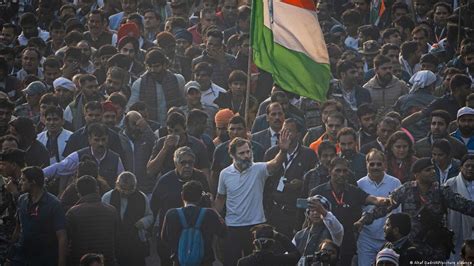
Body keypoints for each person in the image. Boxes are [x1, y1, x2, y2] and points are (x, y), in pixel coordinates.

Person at [355, 158, 474, 261]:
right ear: (417, 174)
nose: (433, 172)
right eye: (427, 170)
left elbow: (464, 205)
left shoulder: (441, 191)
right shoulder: (406, 189)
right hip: (412, 248)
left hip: (436, 248)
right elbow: (384, 207)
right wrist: (364, 220)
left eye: (433, 169)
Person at [213, 130, 291, 266]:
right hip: (233, 226)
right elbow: (220, 199)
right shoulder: (225, 174)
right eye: (242, 153)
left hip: (256, 226)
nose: (246, 156)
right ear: (233, 155)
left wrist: (283, 151)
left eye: (248, 152)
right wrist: (214, 216)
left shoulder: (258, 169)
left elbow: (275, 164)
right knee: (231, 262)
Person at [309, 157, 390, 266]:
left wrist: (385, 200)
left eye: (344, 171)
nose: (341, 174)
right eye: (338, 170)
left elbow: (373, 199)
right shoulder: (318, 191)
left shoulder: (354, 191)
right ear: (330, 171)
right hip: (323, 242)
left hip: (348, 242)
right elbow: (308, 218)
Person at [150, 147, 211, 266]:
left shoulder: (200, 178)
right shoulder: (165, 181)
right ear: (175, 163)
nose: (187, 166)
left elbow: (207, 203)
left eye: (190, 162)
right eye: (183, 163)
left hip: (196, 236)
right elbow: (153, 207)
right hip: (171, 236)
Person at [264, 118, 317, 237]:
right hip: (275, 209)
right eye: (283, 131)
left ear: (298, 134)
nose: (285, 135)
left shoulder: (308, 154)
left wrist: (301, 183)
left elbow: (314, 180)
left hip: (296, 210)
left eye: (290, 131)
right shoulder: (271, 153)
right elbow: (265, 180)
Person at [6, 167, 66, 266]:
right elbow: (18, 229)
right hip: (21, 257)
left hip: (44, 259)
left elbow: (62, 236)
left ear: (33, 182)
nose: (20, 182)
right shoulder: (22, 200)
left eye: (23, 180)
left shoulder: (53, 204)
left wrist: (61, 263)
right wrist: (10, 255)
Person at [161, 180, 226, 266]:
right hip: (205, 261)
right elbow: (223, 232)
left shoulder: (171, 214)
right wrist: (213, 208)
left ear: (182, 195)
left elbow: (164, 238)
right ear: (200, 197)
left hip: (179, 261)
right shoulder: (209, 214)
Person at [43, 122, 124, 188]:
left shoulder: (115, 159)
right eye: (96, 140)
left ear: (108, 139)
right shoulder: (79, 156)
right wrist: (39, 173)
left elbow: (122, 180)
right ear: (89, 139)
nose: (100, 143)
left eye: (103, 139)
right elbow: (59, 167)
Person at [357, 149, 401, 266]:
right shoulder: (359, 185)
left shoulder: (395, 183)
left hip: (389, 239)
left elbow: (398, 211)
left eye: (378, 164)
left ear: (384, 164)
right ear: (366, 165)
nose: (375, 167)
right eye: (372, 164)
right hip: (366, 239)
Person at [102, 172, 154, 266]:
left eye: (129, 189)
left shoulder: (142, 197)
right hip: (114, 241)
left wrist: (143, 222)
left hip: (135, 241)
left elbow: (149, 216)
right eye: (123, 189)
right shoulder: (107, 197)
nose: (126, 192)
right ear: (117, 184)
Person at [65, 175, 118, 266]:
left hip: (81, 261)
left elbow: (66, 240)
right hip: (107, 260)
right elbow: (118, 238)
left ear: (79, 194)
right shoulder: (111, 210)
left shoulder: (73, 213)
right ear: (97, 189)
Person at [127, 49, 185, 125]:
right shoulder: (139, 84)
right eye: (149, 66)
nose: (152, 70)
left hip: (173, 126)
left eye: (156, 66)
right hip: (149, 127)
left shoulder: (178, 80)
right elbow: (131, 110)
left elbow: (183, 104)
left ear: (165, 65)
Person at [210, 115, 265, 194]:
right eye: (232, 129)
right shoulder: (220, 150)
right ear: (228, 131)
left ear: (246, 130)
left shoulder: (258, 149)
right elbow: (214, 176)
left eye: (239, 129)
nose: (235, 132)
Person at [293, 195, 344, 259]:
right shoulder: (299, 235)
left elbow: (338, 229)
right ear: (308, 213)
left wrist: (324, 212)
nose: (315, 213)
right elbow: (290, 255)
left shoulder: (333, 233)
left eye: (318, 210)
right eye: (312, 210)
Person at [119, 111, 157, 194]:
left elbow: (157, 146)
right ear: (126, 124)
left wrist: (146, 128)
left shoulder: (147, 137)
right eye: (134, 124)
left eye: (139, 124)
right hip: (125, 189)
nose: (137, 127)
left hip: (146, 189)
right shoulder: (119, 139)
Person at [445, 154, 474, 261]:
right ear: (461, 167)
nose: (470, 169)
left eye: (473, 166)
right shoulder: (451, 183)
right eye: (467, 166)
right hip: (457, 227)